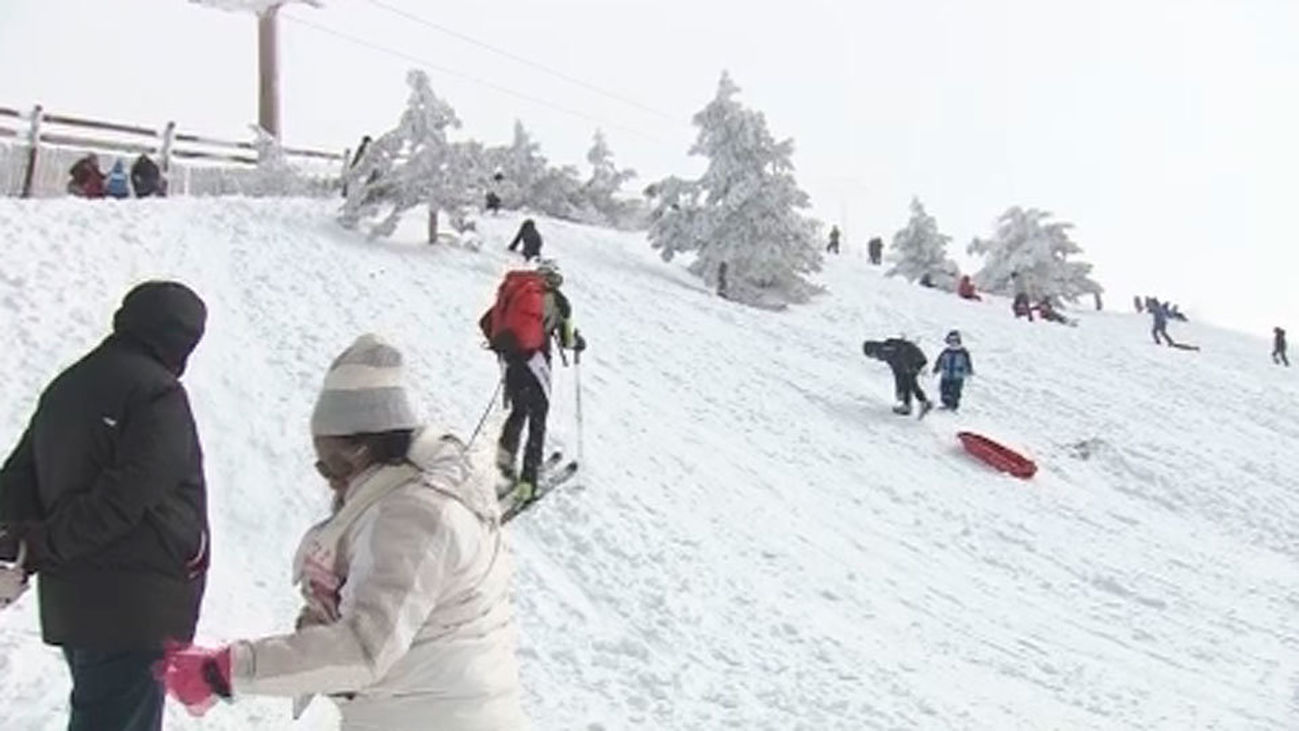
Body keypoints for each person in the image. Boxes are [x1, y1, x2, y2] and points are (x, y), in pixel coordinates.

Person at [153, 335, 529, 729]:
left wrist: (226, 670)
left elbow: (366, 649)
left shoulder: (417, 514)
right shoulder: (397, 497)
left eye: (330, 465)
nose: (331, 483)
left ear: (361, 450)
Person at [0, 281, 209, 731]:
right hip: (135, 603)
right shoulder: (158, 393)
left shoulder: (67, 386)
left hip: (73, 600)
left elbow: (15, 479)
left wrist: (23, 544)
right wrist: (47, 542)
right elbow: (132, 493)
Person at [480, 261, 584, 500]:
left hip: (510, 361)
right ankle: (528, 481)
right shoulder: (558, 300)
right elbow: (568, 340)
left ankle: (503, 469)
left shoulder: (515, 291)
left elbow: (488, 322)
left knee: (518, 412)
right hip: (536, 364)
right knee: (538, 418)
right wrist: (578, 342)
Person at [862, 337, 932, 417]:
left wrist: (907, 368)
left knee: (908, 380)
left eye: (871, 355)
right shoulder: (885, 350)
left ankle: (910, 405)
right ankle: (920, 402)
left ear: (872, 350)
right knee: (909, 381)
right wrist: (899, 389)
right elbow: (896, 371)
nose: (874, 358)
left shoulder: (886, 349)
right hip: (912, 360)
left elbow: (902, 354)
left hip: (913, 360)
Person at [933, 330, 974, 411]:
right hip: (946, 374)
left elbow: (968, 362)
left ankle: (953, 405)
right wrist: (936, 368)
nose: (953, 343)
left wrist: (969, 371)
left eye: (955, 340)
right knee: (944, 389)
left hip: (957, 375)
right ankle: (945, 403)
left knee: (955, 391)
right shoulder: (946, 351)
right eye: (951, 340)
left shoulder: (963, 352)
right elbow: (940, 360)